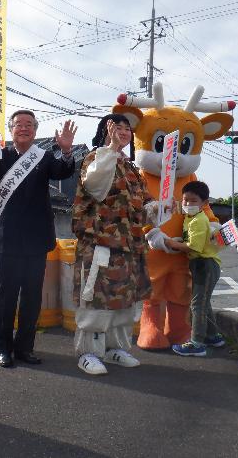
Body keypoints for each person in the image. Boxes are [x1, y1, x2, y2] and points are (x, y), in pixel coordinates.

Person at [0, 110, 77, 368]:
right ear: (11, 130)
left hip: (36, 239)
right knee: (5, 296)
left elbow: (63, 171)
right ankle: (3, 348)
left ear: (35, 131)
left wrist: (66, 151)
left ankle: (25, 348)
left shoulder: (42, 156)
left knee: (32, 297)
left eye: (29, 125)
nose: (23, 128)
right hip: (8, 236)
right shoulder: (0, 154)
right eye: (18, 124)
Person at [72, 114, 154, 375]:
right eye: (116, 127)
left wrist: (157, 208)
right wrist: (112, 149)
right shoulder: (96, 158)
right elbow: (95, 185)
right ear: (104, 131)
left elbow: (143, 205)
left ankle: (116, 348)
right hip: (101, 243)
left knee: (124, 300)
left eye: (126, 128)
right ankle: (88, 353)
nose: (122, 131)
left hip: (129, 245)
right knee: (97, 299)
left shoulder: (131, 169)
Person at [164, 181, 225, 357]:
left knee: (197, 304)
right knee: (204, 302)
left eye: (193, 201)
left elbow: (193, 247)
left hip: (205, 265)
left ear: (205, 203)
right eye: (185, 200)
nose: (188, 204)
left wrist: (171, 243)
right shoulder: (190, 218)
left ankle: (197, 343)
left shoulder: (198, 220)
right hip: (201, 265)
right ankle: (213, 336)